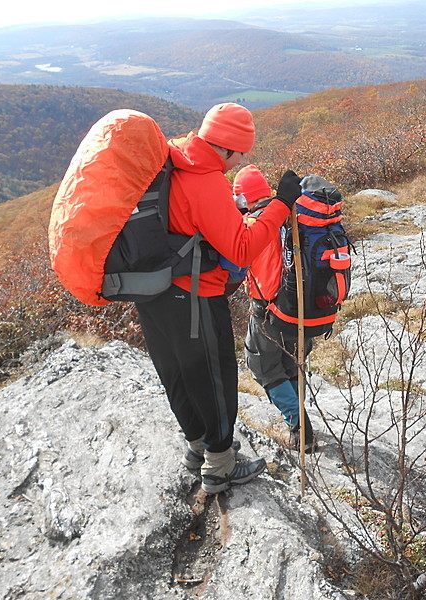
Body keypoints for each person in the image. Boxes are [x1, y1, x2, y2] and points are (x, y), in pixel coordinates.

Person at [134, 104, 301, 494]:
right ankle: (221, 466)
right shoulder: (205, 181)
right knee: (215, 380)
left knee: (176, 373)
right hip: (193, 297)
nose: (241, 160)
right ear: (226, 147)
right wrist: (280, 205)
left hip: (152, 291)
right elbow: (242, 249)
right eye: (240, 152)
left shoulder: (173, 158)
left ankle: (198, 448)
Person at [234, 165, 317, 452]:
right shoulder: (292, 216)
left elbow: (237, 266)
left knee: (264, 368)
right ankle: (300, 429)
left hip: (268, 309)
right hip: (302, 307)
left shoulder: (253, 224)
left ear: (245, 198)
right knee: (291, 365)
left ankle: (299, 426)